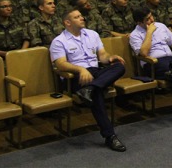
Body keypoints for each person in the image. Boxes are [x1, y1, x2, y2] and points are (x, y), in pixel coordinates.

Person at [50, 9, 127, 152]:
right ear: (67, 22)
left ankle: (90, 89)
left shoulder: (92, 34)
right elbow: (61, 64)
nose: (82, 18)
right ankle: (110, 136)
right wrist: (81, 69)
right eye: (77, 17)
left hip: (95, 73)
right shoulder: (59, 41)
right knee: (96, 94)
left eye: (81, 15)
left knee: (119, 67)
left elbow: (102, 56)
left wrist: (110, 58)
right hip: (75, 77)